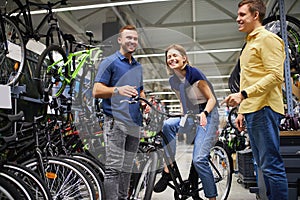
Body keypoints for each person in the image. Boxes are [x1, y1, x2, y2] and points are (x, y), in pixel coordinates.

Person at [222, 0, 288, 199]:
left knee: (271, 165)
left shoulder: (268, 39)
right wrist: (243, 110)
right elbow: (249, 78)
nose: (238, 18)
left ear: (255, 15)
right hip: (253, 110)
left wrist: (243, 95)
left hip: (265, 108)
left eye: (242, 14)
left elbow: (276, 75)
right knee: (262, 165)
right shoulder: (250, 43)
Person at [153, 44, 220, 200]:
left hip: (208, 113)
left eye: (175, 55)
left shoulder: (194, 74)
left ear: (184, 58)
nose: (171, 59)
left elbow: (212, 99)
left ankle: (212, 197)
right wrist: (181, 118)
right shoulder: (173, 81)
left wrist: (204, 113)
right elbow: (182, 101)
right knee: (168, 125)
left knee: (198, 159)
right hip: (191, 115)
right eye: (169, 57)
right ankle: (167, 171)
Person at [92, 25, 147, 200]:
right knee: (114, 169)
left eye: (135, 39)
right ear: (120, 40)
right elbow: (97, 90)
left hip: (135, 123)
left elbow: (140, 90)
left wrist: (144, 102)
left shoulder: (137, 66)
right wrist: (118, 90)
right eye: (128, 38)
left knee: (127, 168)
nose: (132, 41)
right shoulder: (110, 62)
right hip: (116, 121)